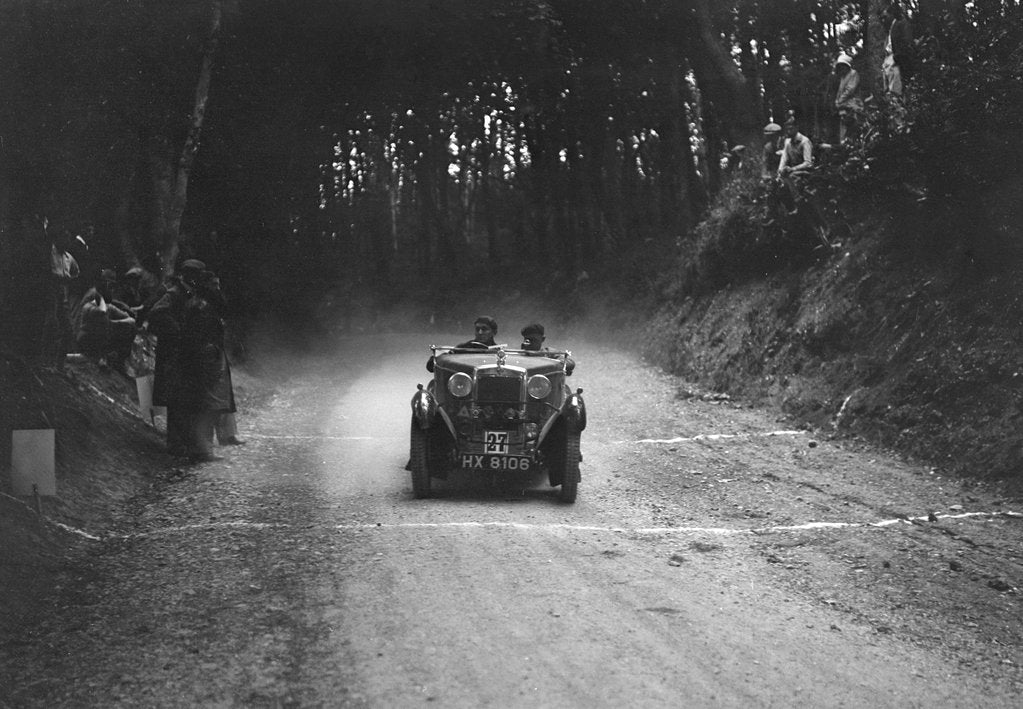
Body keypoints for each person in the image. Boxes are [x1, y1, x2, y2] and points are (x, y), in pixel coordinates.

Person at [147, 259, 206, 458]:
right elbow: (156, 313)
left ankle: (186, 443)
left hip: (186, 353)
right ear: (190, 276)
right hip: (175, 354)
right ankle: (175, 443)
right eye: (197, 275)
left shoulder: (189, 292)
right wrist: (177, 330)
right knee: (176, 398)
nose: (200, 279)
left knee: (186, 397)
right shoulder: (174, 293)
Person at [181, 269, 237, 460]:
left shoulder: (206, 304)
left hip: (210, 355)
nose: (217, 289)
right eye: (213, 285)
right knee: (204, 402)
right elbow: (196, 334)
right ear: (205, 285)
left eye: (218, 285)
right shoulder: (200, 305)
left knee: (210, 402)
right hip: (203, 357)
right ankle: (200, 449)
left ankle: (203, 447)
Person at [75, 268, 136, 370]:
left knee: (129, 326)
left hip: (96, 328)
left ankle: (114, 360)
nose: (111, 288)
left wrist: (124, 311)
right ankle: (106, 358)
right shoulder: (94, 295)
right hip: (87, 331)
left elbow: (110, 305)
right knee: (120, 328)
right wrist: (120, 321)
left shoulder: (102, 295)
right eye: (109, 284)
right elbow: (101, 318)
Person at [42, 222, 81, 368]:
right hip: (49, 294)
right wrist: (59, 278)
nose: (67, 242)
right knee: (50, 325)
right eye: (64, 238)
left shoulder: (68, 258)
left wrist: (70, 280)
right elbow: (45, 272)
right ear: (57, 238)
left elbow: (77, 272)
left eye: (68, 239)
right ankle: (43, 361)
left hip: (63, 296)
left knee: (68, 329)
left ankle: (59, 364)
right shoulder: (49, 252)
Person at [426, 315, 499, 372]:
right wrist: (439, 355)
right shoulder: (464, 348)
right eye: (477, 329)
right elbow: (430, 367)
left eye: (484, 329)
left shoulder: (499, 353)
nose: (480, 332)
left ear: (493, 332)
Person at [882, 4, 914, 126]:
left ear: (892, 14)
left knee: (896, 92)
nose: (884, 19)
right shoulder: (890, 29)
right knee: (889, 94)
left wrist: (897, 58)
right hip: (888, 62)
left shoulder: (901, 24)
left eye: (886, 16)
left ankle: (901, 124)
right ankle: (895, 124)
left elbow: (907, 43)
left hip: (896, 61)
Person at [834, 54, 863, 143]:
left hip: (853, 105)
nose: (842, 68)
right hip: (844, 107)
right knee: (844, 130)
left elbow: (850, 90)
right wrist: (837, 100)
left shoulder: (853, 74)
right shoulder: (843, 77)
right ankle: (844, 145)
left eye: (843, 65)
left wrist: (840, 101)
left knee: (854, 129)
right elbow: (840, 91)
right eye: (840, 66)